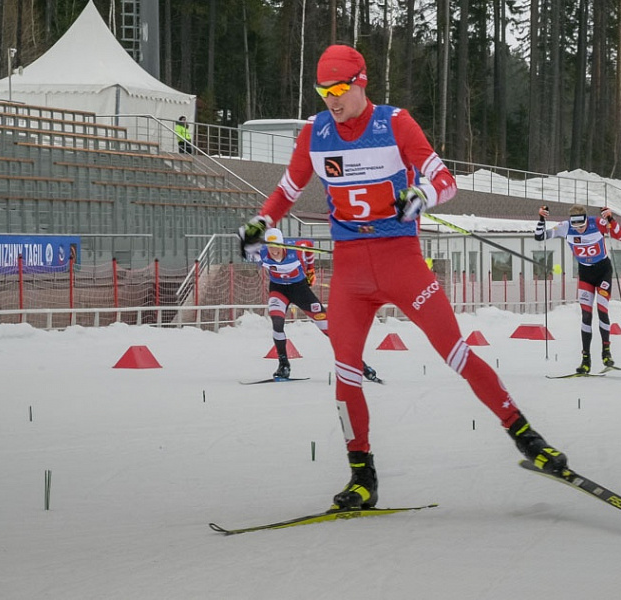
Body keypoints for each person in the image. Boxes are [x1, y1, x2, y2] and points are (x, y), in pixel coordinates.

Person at [238, 44, 567, 510]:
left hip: (401, 261)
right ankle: (361, 477)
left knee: (456, 353)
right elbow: (288, 189)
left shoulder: (394, 122)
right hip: (351, 269)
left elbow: (445, 179)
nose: (332, 100)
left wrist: (421, 195)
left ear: (361, 82)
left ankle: (528, 439)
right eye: (323, 91)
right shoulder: (315, 133)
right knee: (346, 373)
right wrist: (261, 222)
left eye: (339, 89)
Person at [251, 228, 379, 382]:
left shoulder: (296, 249)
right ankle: (283, 365)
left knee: (329, 329)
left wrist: (310, 270)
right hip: (278, 290)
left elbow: (309, 245)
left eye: (277, 246)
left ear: (282, 244)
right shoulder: (261, 253)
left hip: (300, 290)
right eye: (271, 247)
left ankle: (360, 365)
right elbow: (246, 249)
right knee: (277, 323)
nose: (274, 251)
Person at [535, 203, 621, 373]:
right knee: (586, 315)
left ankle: (606, 353)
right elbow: (539, 237)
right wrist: (542, 218)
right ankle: (586, 360)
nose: (578, 229)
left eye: (582, 225)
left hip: (603, 272)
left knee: (602, 310)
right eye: (575, 225)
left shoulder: (597, 223)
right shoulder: (565, 227)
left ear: (586, 220)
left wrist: (611, 219)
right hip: (585, 274)